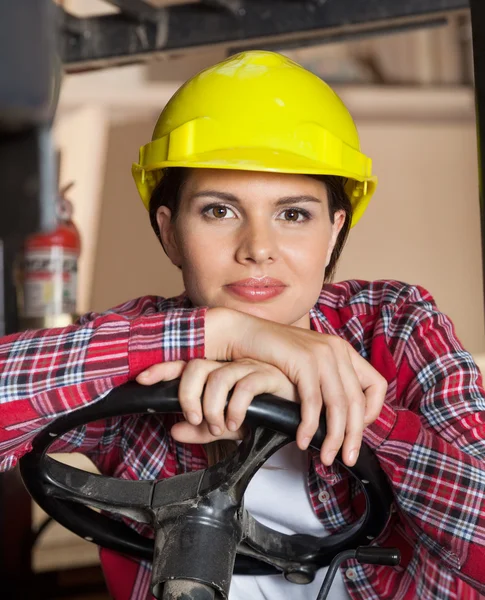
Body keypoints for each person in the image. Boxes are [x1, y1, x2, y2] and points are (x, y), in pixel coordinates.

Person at [1, 50, 485, 600]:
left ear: (333, 231)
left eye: (293, 214)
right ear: (170, 231)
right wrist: (225, 335)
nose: (258, 249)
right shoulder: (142, 349)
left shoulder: (395, 325)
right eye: (219, 211)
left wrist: (333, 405)